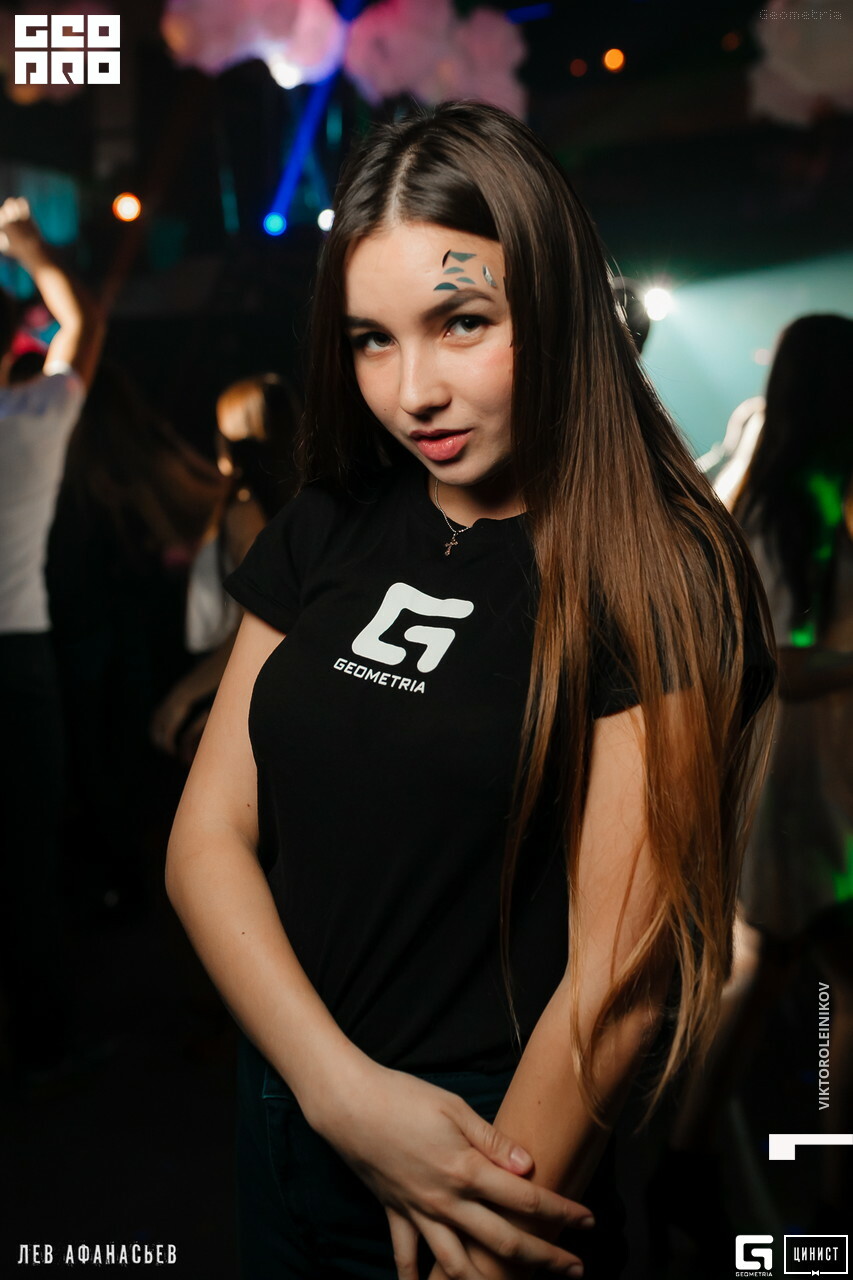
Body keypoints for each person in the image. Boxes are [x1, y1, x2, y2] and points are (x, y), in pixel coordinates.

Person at [165, 103, 776, 1280]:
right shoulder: (326, 524)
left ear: (552, 303)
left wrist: (479, 1221)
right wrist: (338, 1092)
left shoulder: (654, 569)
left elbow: (620, 987)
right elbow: (206, 840)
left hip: (490, 1145)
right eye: (372, 339)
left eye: (461, 323)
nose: (414, 392)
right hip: (286, 1110)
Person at [656, 314, 853, 1252]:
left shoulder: (771, 492)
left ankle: (690, 1168)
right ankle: (819, 1194)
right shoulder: (785, 511)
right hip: (795, 788)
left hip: (792, 784)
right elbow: (778, 664)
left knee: (766, 974)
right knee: (803, 980)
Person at [0, 196, 105, 1075]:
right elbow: (78, 322)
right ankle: (45, 1048)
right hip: (19, 656)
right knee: (29, 856)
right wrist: (29, 249)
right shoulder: (32, 420)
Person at [150, 373, 299, 764]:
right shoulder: (299, 504)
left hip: (228, 675)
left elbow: (262, 618)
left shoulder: (245, 510)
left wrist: (188, 694)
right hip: (251, 677)